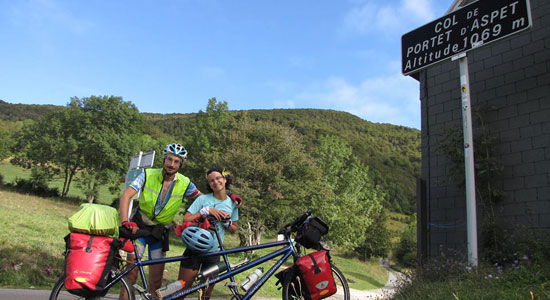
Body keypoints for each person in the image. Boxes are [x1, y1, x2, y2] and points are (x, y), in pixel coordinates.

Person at [118, 143, 242, 295]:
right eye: (169, 160)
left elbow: (207, 198)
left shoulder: (185, 183)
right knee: (131, 275)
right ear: (164, 159)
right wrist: (125, 222)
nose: (171, 164)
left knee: (156, 281)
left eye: (176, 161)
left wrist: (229, 196)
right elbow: (126, 195)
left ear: (181, 163)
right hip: (139, 228)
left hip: (159, 233)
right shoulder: (147, 174)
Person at [176, 167, 239, 300]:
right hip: (194, 250)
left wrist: (227, 222)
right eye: (211, 181)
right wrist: (205, 211)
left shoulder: (233, 203)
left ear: (224, 179)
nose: (215, 182)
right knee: (182, 291)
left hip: (214, 253)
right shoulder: (203, 199)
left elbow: (234, 228)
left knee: (205, 295)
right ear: (209, 184)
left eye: (218, 178)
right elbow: (185, 219)